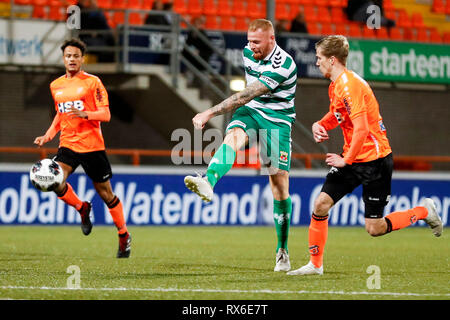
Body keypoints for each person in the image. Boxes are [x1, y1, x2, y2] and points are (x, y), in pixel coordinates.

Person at [287, 35, 443, 276]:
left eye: (319, 58)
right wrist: (321, 124)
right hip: (353, 157)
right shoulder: (335, 85)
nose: (316, 63)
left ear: (332, 59)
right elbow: (338, 115)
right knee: (321, 204)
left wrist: (345, 159)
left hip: (375, 161)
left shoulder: (350, 86)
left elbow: (362, 129)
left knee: (375, 228)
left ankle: (423, 211)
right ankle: (315, 265)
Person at [184, 19, 298, 272]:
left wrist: (209, 113)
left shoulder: (284, 64)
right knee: (233, 137)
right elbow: (248, 99)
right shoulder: (248, 53)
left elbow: (247, 93)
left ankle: (282, 249)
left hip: (277, 121)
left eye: (256, 42)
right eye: (248, 40)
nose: (250, 46)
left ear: (272, 39)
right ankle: (209, 181)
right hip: (251, 112)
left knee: (278, 184)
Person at [33, 38, 132, 258]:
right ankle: (82, 208)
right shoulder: (56, 85)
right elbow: (61, 113)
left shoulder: (93, 82)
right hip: (68, 144)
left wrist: (86, 114)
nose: (72, 59)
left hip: (92, 146)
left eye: (76, 56)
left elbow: (105, 114)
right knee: (55, 181)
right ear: (63, 59)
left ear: (82, 59)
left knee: (106, 194)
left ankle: (123, 235)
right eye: (68, 56)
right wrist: (48, 134)